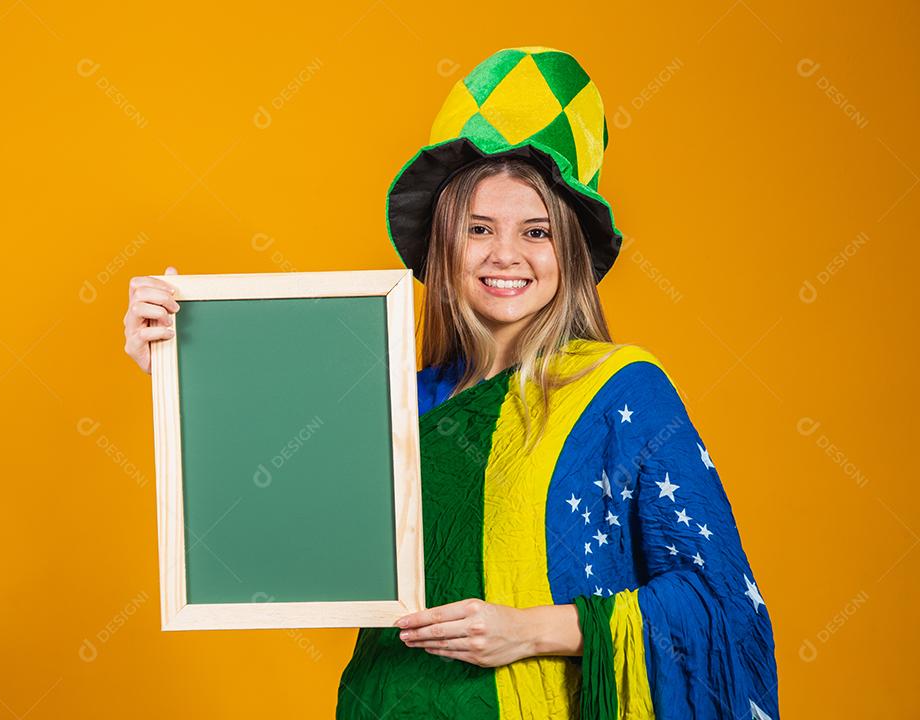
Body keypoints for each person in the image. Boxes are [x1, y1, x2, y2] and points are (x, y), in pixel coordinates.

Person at [124, 46, 779, 720]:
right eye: (478, 229)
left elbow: (718, 603)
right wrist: (185, 367)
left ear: (571, 254)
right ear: (444, 246)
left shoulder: (622, 393)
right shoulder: (399, 401)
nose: (506, 255)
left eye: (537, 232)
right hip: (388, 701)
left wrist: (526, 630)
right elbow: (267, 518)